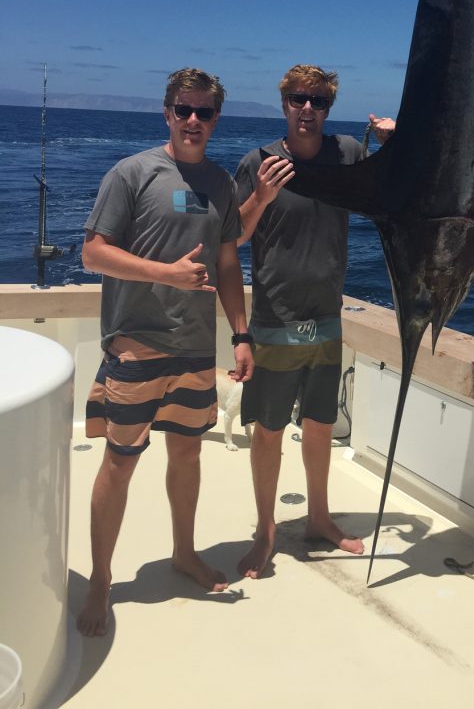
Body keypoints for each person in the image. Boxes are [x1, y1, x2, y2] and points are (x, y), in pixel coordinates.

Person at [77, 68, 254, 637]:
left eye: (204, 112)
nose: (194, 121)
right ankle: (103, 578)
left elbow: (229, 264)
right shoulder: (131, 173)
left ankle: (183, 552)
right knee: (120, 464)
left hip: (196, 349)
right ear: (167, 113)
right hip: (137, 346)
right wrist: (165, 275)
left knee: (188, 456)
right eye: (184, 110)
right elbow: (93, 253)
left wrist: (241, 334)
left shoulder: (222, 184)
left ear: (216, 118)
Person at [235, 64, 394, 579]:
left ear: (328, 108)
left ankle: (319, 520)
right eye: (300, 99)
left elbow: (386, 192)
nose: (308, 109)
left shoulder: (347, 152)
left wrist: (390, 144)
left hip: (326, 318)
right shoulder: (257, 162)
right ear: (284, 103)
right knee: (269, 431)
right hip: (275, 321)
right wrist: (260, 195)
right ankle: (265, 532)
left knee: (322, 424)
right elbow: (232, 236)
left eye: (319, 101)